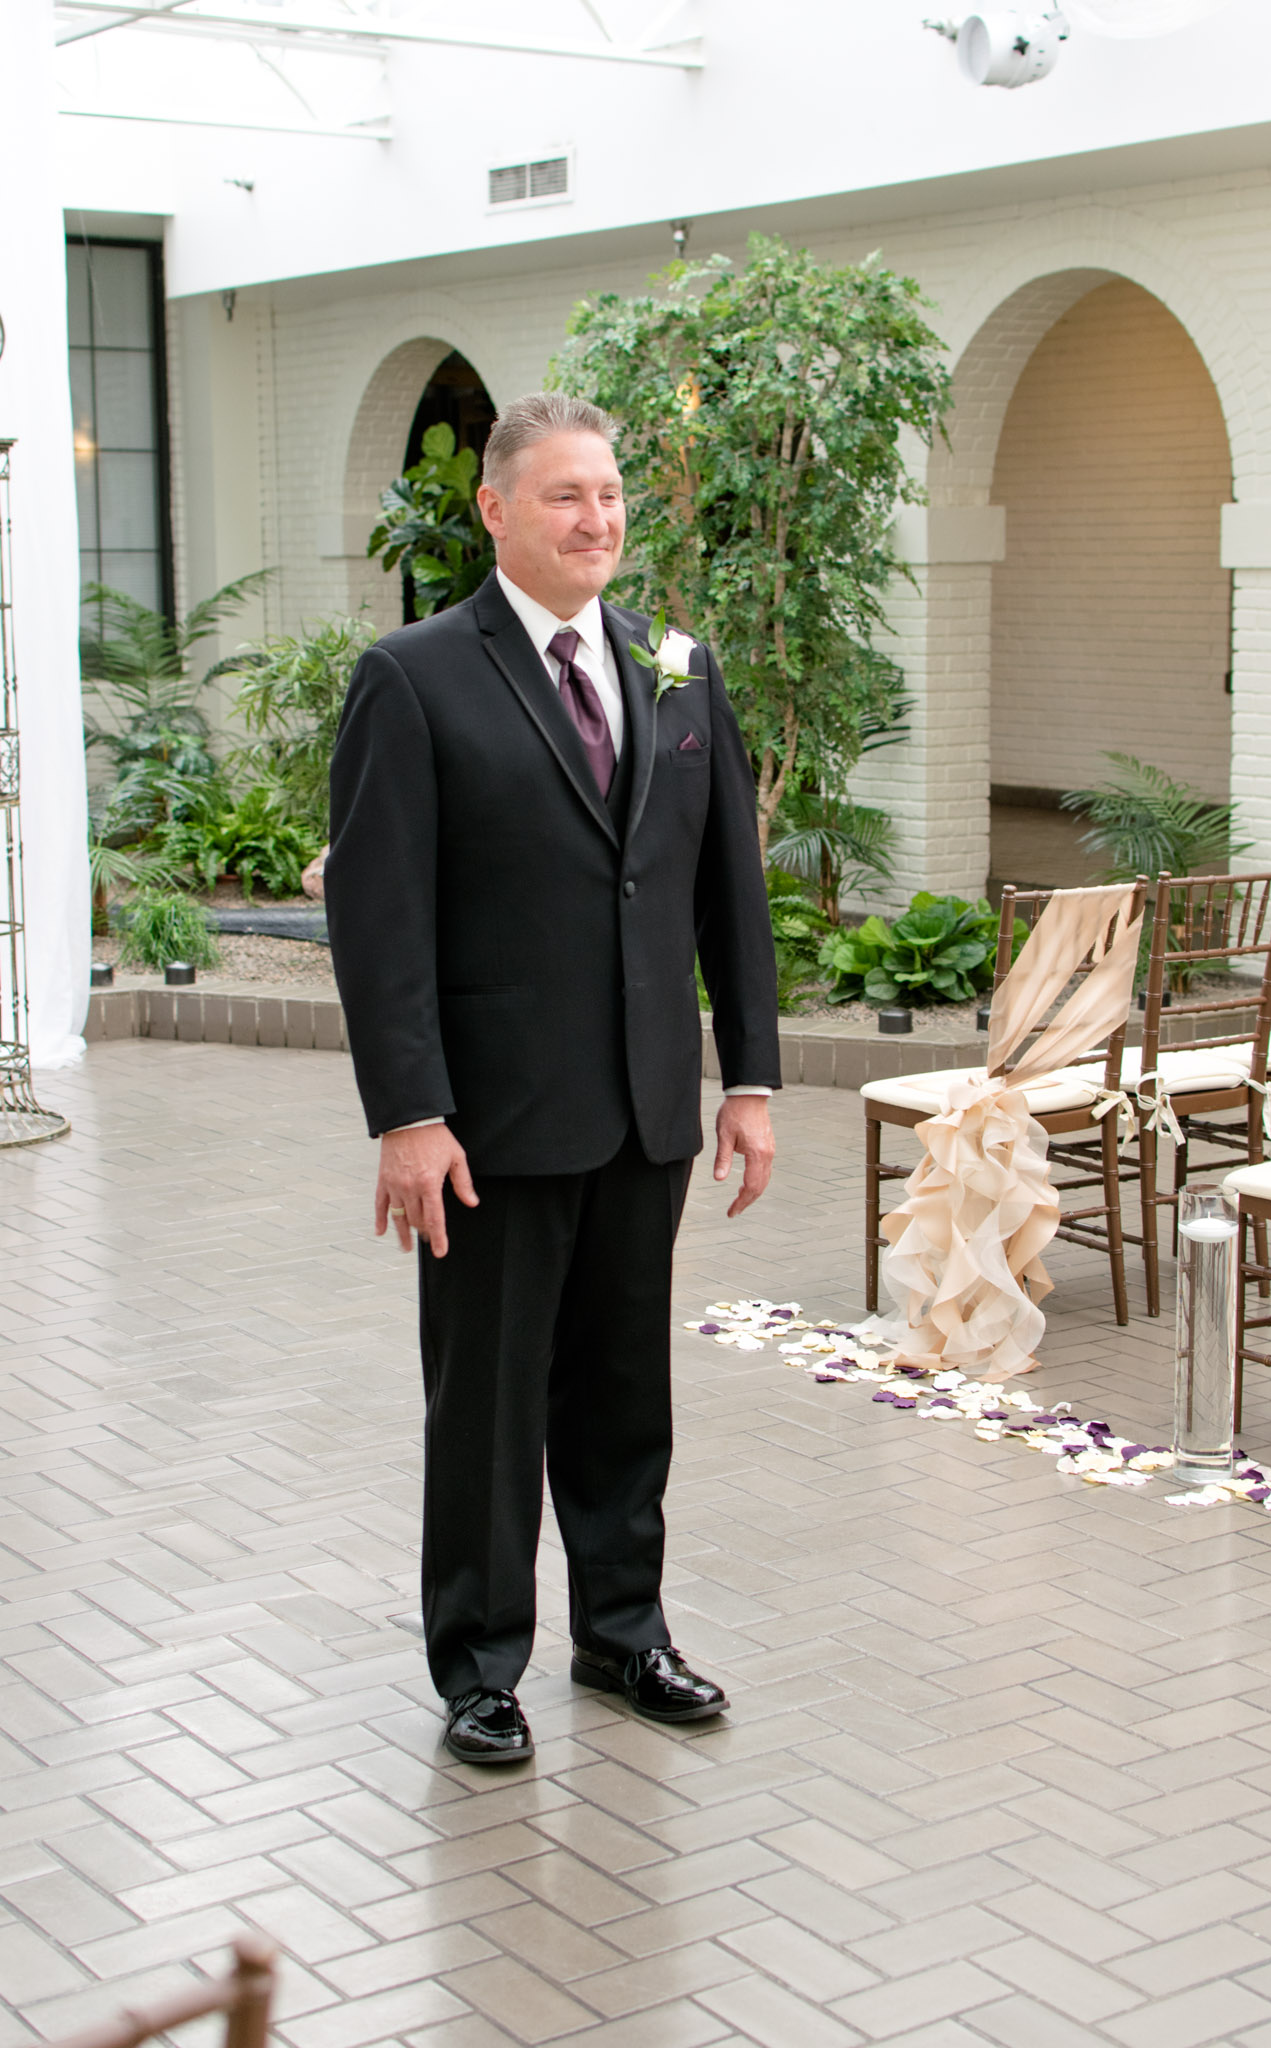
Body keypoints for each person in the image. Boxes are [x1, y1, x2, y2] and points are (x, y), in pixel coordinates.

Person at [327, 391, 780, 1765]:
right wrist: (410, 1115)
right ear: (495, 511)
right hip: (488, 1124)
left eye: (610, 495)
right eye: (565, 496)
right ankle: (478, 1665)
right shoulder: (413, 678)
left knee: (620, 1395)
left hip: (642, 1110)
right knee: (487, 1406)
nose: (597, 519)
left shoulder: (678, 667)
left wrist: (747, 1080)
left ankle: (623, 1634)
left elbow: (726, 897)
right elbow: (379, 916)